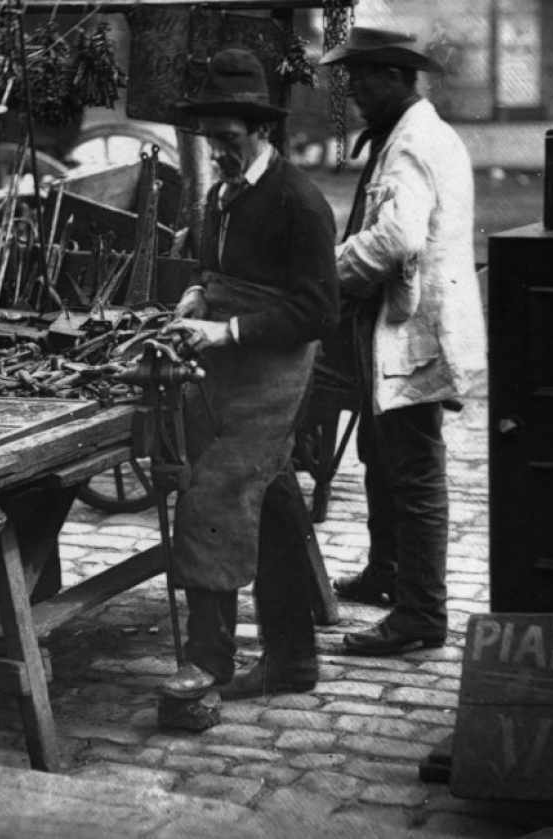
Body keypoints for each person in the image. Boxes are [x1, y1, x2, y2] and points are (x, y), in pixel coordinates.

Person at [159, 48, 340, 701]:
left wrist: (227, 330)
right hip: (229, 368)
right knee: (271, 502)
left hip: (275, 370)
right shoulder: (222, 193)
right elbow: (219, 270)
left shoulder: (298, 202)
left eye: (229, 139)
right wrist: (198, 294)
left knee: (213, 493)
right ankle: (291, 660)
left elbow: (319, 311)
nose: (218, 151)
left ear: (261, 129)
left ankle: (208, 660)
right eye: (211, 139)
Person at [318, 26, 486, 655]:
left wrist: (326, 274)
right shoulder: (409, 132)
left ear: (393, 77)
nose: (353, 92)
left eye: (361, 79)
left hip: (412, 331)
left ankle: (421, 615)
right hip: (402, 325)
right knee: (380, 451)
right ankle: (386, 571)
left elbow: (396, 239)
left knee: (413, 470)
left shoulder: (413, 142)